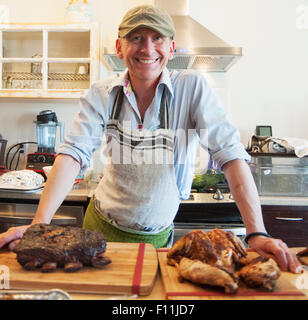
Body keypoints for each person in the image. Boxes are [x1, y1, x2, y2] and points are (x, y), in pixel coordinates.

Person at [0, 5, 302, 273]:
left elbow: (232, 157)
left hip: (157, 236)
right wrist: (39, 225)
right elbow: (72, 155)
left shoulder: (193, 88)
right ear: (120, 47)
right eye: (136, 38)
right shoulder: (102, 93)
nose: (147, 48)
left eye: (157, 38)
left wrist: (256, 233)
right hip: (100, 228)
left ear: (172, 48)